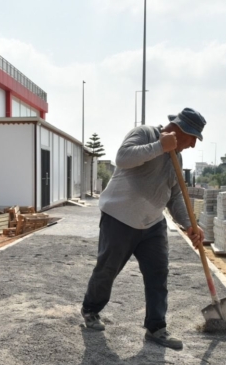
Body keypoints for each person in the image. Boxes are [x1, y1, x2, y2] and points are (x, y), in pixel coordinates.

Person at [81, 108, 207, 350]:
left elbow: (175, 196)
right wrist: (160, 146)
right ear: (182, 130)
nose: (192, 145)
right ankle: (90, 309)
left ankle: (156, 327)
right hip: (119, 218)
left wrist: (189, 224)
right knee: (107, 269)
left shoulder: (177, 158)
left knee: (158, 273)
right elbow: (123, 158)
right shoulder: (145, 134)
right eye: (193, 138)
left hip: (152, 223)